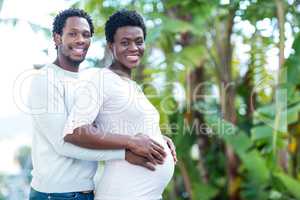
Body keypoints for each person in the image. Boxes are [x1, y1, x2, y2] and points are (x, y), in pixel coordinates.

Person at [28, 8, 176, 200]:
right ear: (57, 38)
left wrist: (154, 137)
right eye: (72, 34)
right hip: (56, 193)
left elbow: (105, 126)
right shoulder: (46, 80)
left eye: (86, 34)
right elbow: (64, 142)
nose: (80, 40)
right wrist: (126, 151)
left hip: (84, 190)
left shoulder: (84, 81)